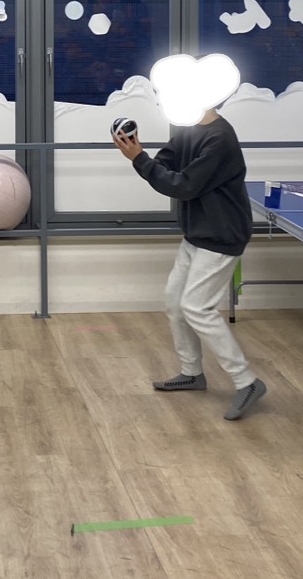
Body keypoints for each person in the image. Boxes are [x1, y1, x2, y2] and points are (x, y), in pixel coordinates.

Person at [113, 101, 267, 421]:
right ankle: (192, 373)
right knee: (175, 301)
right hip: (197, 232)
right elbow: (166, 165)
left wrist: (139, 159)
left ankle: (247, 382)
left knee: (197, 307)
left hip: (222, 235)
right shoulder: (189, 128)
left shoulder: (220, 139)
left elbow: (183, 185)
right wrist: (138, 153)